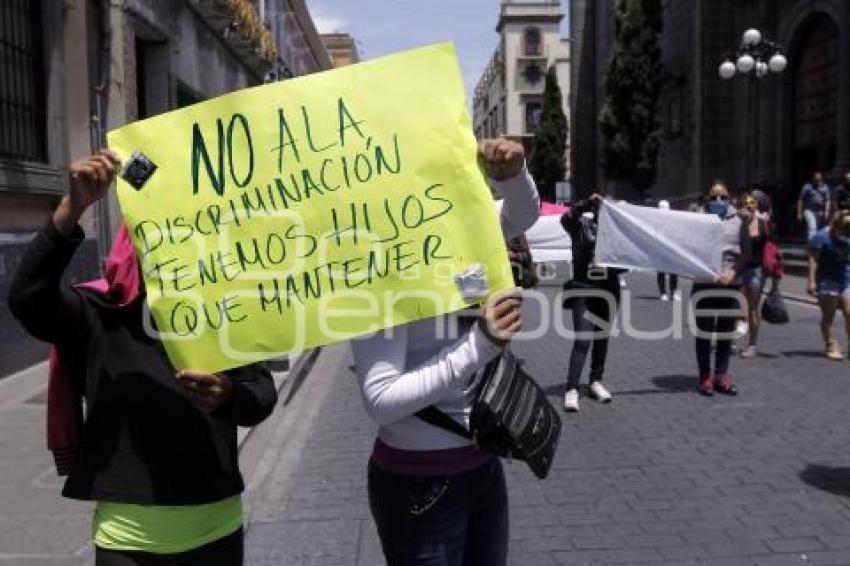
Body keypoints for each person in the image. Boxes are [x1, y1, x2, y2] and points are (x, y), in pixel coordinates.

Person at [8, 151, 277, 566]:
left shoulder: (225, 307)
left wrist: (228, 397)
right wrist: (71, 208)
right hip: (127, 541)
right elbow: (27, 298)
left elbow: (261, 394)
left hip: (216, 531)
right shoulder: (97, 310)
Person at [351, 138, 537, 566]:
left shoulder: (461, 227)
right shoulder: (378, 265)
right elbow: (379, 400)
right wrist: (482, 344)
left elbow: (521, 214)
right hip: (420, 485)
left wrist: (515, 173)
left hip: (483, 462)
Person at [560, 193, 622, 412]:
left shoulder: (617, 234)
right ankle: (572, 388)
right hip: (583, 290)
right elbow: (566, 219)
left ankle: (596, 381)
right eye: (599, 207)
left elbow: (626, 264)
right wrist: (586, 202)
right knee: (583, 340)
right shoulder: (581, 226)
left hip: (608, 292)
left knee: (601, 339)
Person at [691, 181, 750, 396]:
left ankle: (721, 375)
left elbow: (746, 253)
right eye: (713, 197)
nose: (718, 201)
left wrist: (733, 272)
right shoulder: (695, 220)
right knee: (704, 333)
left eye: (722, 197)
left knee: (726, 333)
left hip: (729, 284)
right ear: (706, 198)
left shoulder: (739, 220)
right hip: (704, 284)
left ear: (730, 198)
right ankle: (705, 376)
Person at [806, 211, 850, 360]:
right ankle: (830, 344)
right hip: (827, 279)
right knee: (828, 316)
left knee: (849, 312)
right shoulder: (821, 237)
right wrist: (811, 281)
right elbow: (813, 259)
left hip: (845, 277)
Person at [739, 194, 771, 358]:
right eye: (745, 205)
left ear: (756, 206)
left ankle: (752, 344)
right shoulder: (738, 224)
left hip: (756, 270)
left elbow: (771, 245)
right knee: (736, 306)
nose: (748, 208)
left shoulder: (762, 223)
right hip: (739, 269)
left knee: (752, 309)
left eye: (751, 205)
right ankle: (732, 336)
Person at [656, 200, 680, 301]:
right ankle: (663, 293)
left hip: (671, 248)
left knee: (673, 271)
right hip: (660, 248)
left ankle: (673, 292)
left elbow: (676, 233)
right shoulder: (655, 219)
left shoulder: (673, 219)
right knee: (661, 271)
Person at [798, 170, 831, 240]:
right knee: (812, 227)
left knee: (820, 228)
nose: (818, 182)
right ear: (813, 179)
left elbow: (827, 200)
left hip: (820, 211)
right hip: (809, 210)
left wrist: (826, 211)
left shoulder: (825, 187)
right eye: (816, 180)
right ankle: (812, 245)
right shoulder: (807, 187)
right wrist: (799, 213)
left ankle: (819, 244)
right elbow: (801, 200)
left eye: (819, 180)